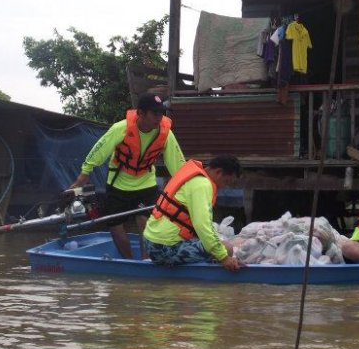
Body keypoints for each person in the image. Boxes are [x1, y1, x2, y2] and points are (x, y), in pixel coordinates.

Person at [69, 92, 185, 259]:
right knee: (115, 226)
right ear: (140, 113)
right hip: (118, 183)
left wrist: (185, 187)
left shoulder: (166, 134)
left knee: (146, 222)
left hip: (146, 183)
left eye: (162, 113)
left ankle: (146, 262)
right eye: (155, 113)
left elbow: (177, 164)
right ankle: (128, 262)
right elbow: (99, 150)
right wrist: (83, 175)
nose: (159, 118)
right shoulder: (121, 128)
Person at [143, 155, 242, 272]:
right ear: (219, 172)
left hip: (152, 243)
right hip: (164, 249)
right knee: (227, 248)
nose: (226, 186)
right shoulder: (202, 185)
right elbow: (202, 225)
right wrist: (224, 258)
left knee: (217, 246)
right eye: (227, 182)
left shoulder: (195, 178)